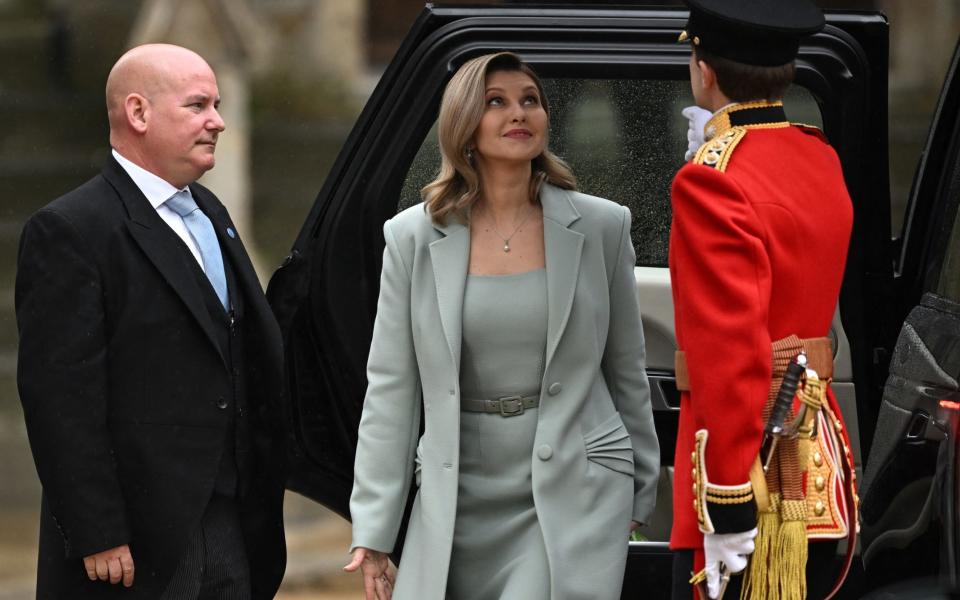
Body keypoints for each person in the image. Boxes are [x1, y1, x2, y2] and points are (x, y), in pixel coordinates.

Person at [343, 52, 659, 600]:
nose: (519, 114)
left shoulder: (604, 225)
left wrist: (639, 490)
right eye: (497, 103)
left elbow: (626, 368)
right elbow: (391, 388)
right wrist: (373, 529)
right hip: (457, 489)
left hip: (574, 487)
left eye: (529, 101)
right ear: (465, 126)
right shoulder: (412, 237)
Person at [15, 44, 286, 599]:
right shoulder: (70, 229)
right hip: (135, 546)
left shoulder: (210, 211)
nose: (219, 121)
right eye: (198, 106)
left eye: (217, 104)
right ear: (138, 114)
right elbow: (60, 398)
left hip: (232, 523)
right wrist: (99, 532)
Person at [668, 1, 858, 599]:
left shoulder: (711, 178)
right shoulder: (819, 154)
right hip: (814, 451)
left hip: (752, 471)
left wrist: (726, 503)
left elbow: (731, 356)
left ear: (704, 70)